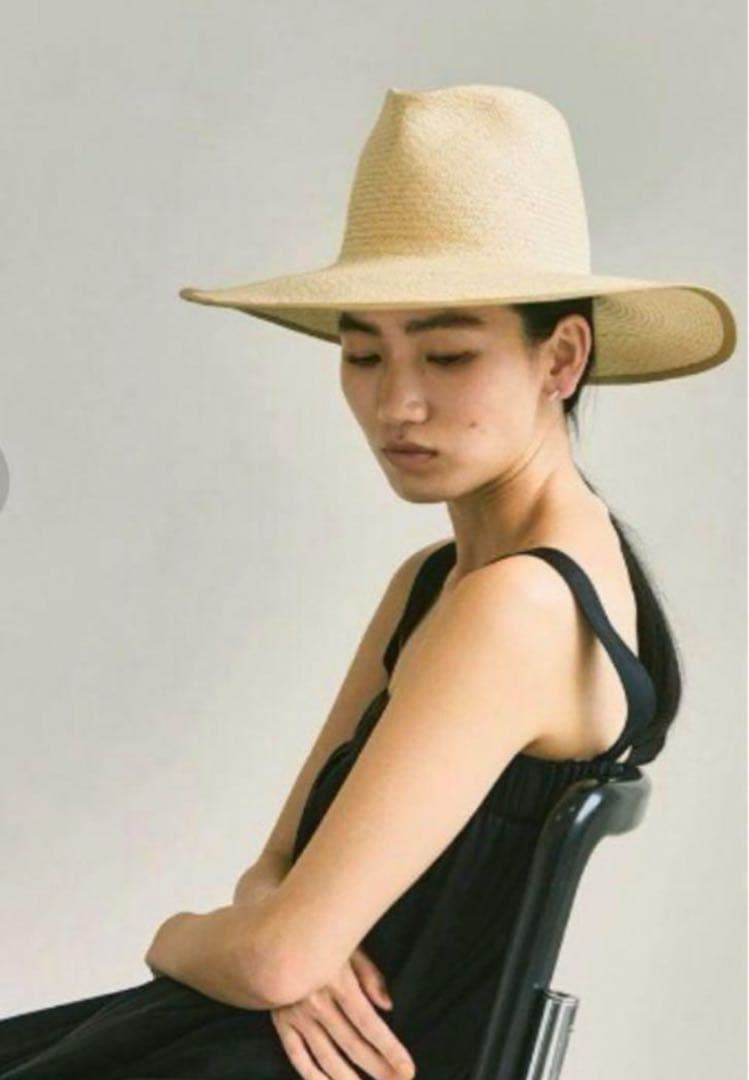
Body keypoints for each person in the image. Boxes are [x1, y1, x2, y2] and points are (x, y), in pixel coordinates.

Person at [0, 83, 737, 1080]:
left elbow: (275, 953)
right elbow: (272, 877)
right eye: (361, 353)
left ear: (561, 357)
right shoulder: (437, 580)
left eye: (447, 354)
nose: (396, 403)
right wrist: (275, 946)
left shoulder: (518, 605)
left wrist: (177, 935)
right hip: (247, 1039)